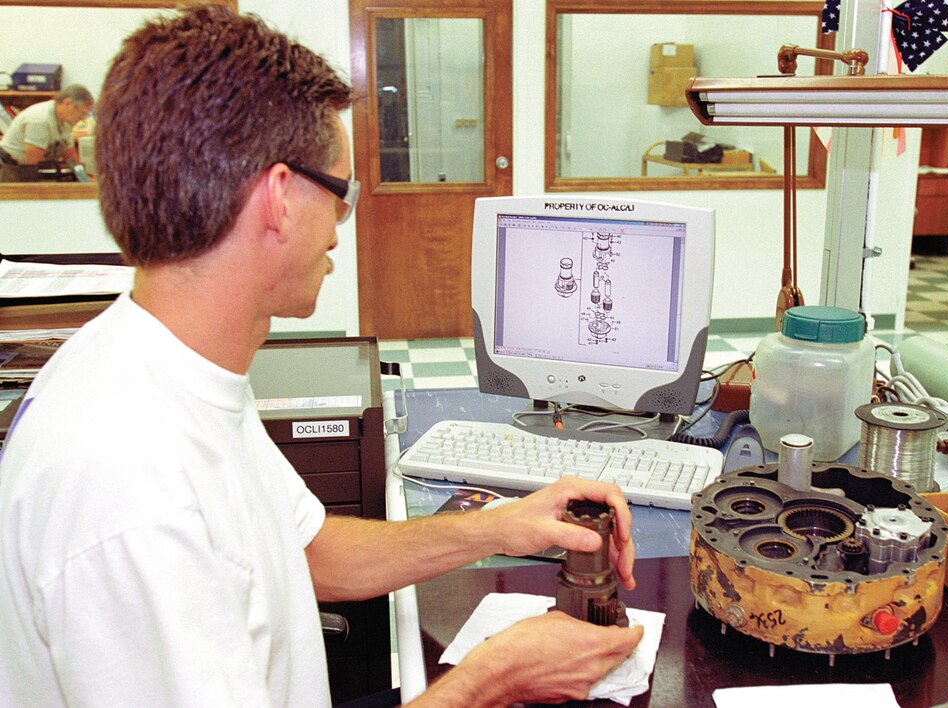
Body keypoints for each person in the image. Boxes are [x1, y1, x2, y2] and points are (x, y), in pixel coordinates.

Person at [0, 5, 642, 706]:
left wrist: (502, 527)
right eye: (341, 195)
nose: (339, 230)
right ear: (278, 197)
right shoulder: (130, 488)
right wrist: (495, 678)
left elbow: (305, 553)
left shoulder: (168, 368)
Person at [0, 83, 93, 182]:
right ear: (67, 103)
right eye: (82, 113)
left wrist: (84, 180)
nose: (83, 118)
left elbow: (70, 157)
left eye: (86, 114)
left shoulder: (66, 121)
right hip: (13, 168)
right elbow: (32, 165)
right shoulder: (40, 119)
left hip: (32, 169)